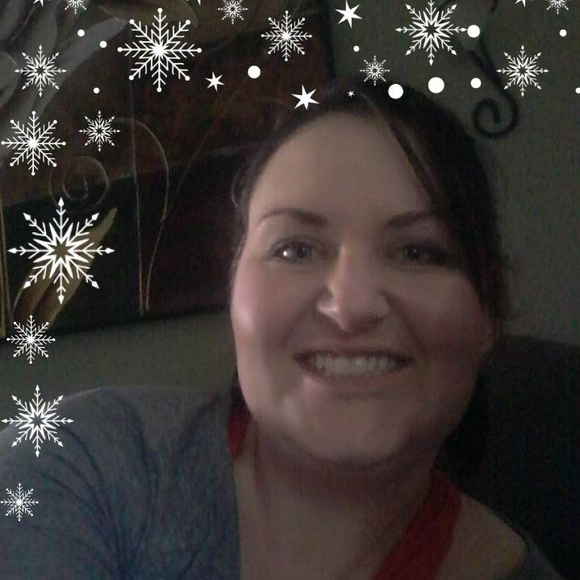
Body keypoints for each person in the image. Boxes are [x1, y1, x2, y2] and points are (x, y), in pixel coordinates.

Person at [0, 77, 563, 579]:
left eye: (417, 252)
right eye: (295, 249)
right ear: (234, 290)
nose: (350, 307)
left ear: (489, 315)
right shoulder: (77, 465)